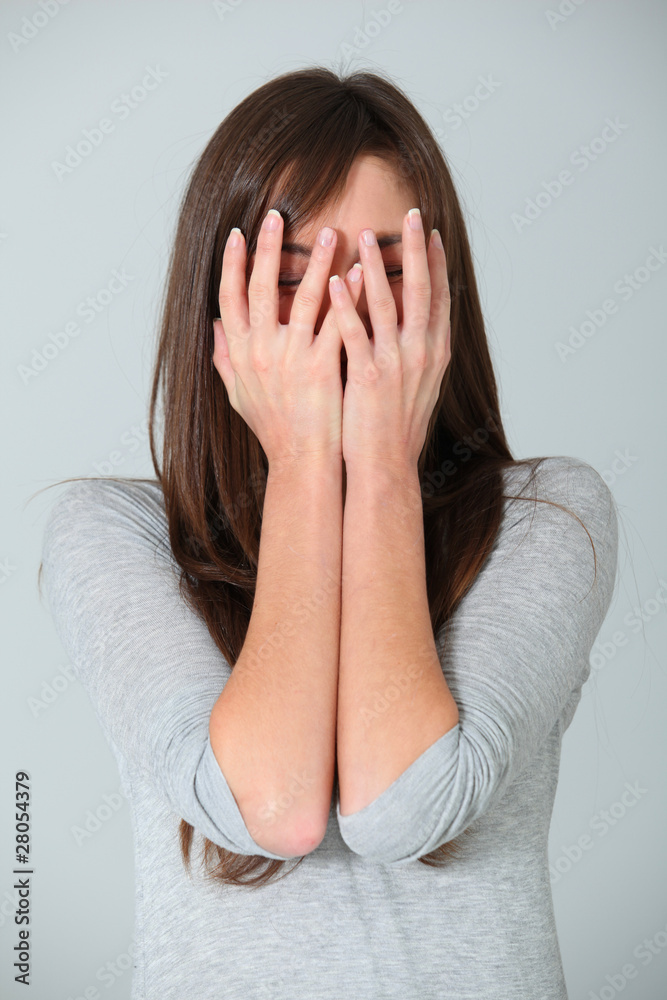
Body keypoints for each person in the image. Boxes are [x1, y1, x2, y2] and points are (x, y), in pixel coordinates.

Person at [37, 66, 619, 998]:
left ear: (443, 297)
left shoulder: (547, 515)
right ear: (218, 306)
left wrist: (380, 462)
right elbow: (272, 809)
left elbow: (402, 807)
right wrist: (306, 458)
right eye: (293, 280)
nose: (342, 321)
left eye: (386, 277)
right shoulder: (112, 534)